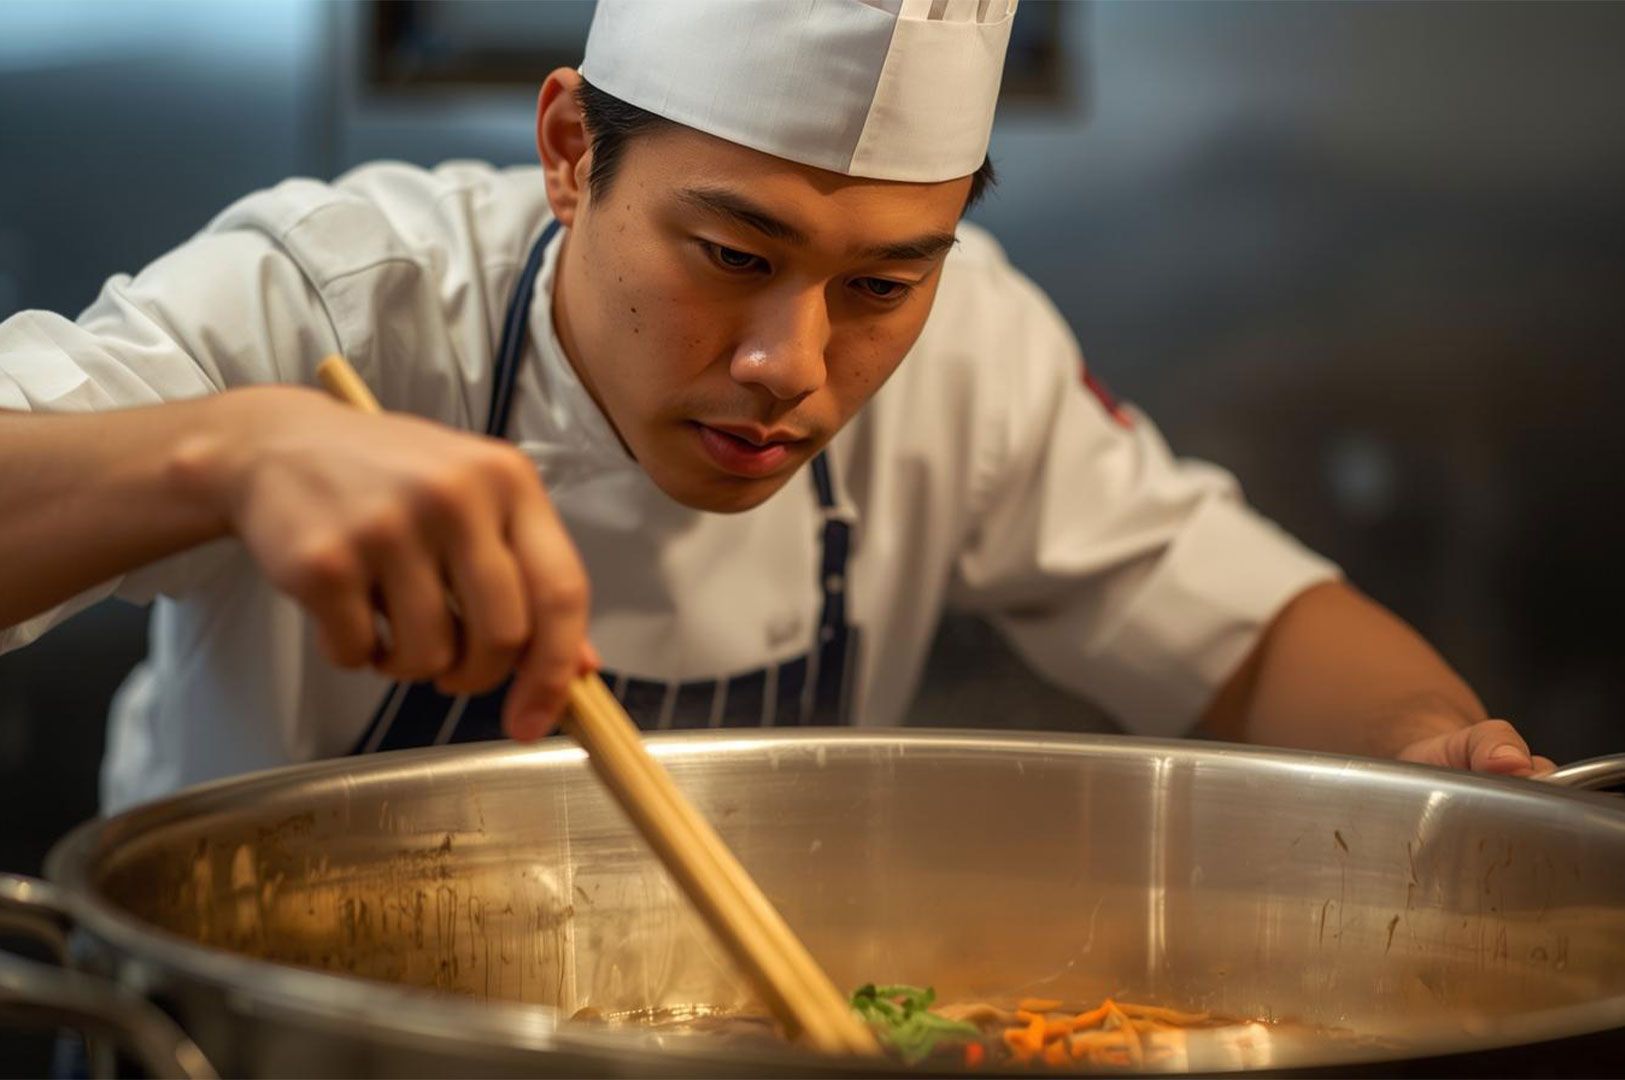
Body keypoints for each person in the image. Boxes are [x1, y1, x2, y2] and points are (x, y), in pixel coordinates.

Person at [0, 0, 1552, 812]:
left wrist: (1431, 753)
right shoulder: (337, 301)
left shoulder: (976, 348)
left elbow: (1244, 632)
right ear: (567, 147)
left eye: (882, 284)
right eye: (733, 254)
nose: (790, 365)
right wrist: (232, 453)